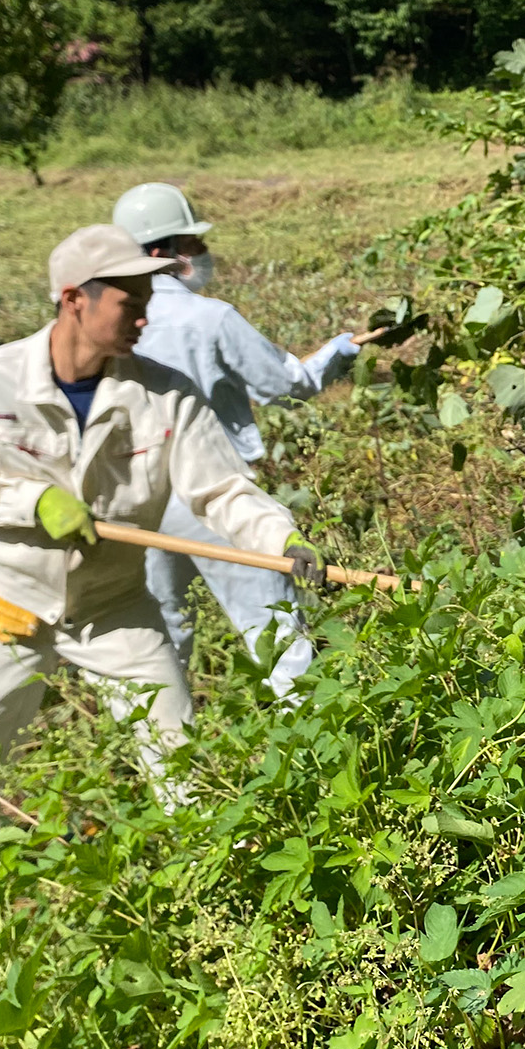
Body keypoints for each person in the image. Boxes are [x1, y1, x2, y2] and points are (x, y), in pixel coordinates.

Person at [0, 223, 328, 835]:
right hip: (11, 603)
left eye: (146, 304)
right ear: (73, 298)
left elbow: (220, 490)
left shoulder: (166, 396)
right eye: (129, 304)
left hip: (114, 607)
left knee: (183, 765)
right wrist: (35, 502)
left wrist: (279, 538)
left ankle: (204, 893)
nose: (143, 318)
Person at [110, 182, 389, 698]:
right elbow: (287, 386)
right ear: (159, 253)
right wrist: (341, 350)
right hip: (215, 499)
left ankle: (163, 756)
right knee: (277, 627)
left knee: (161, 636)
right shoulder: (210, 318)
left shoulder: (111, 324)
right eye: (192, 244)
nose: (202, 255)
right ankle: (311, 752)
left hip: (139, 500)